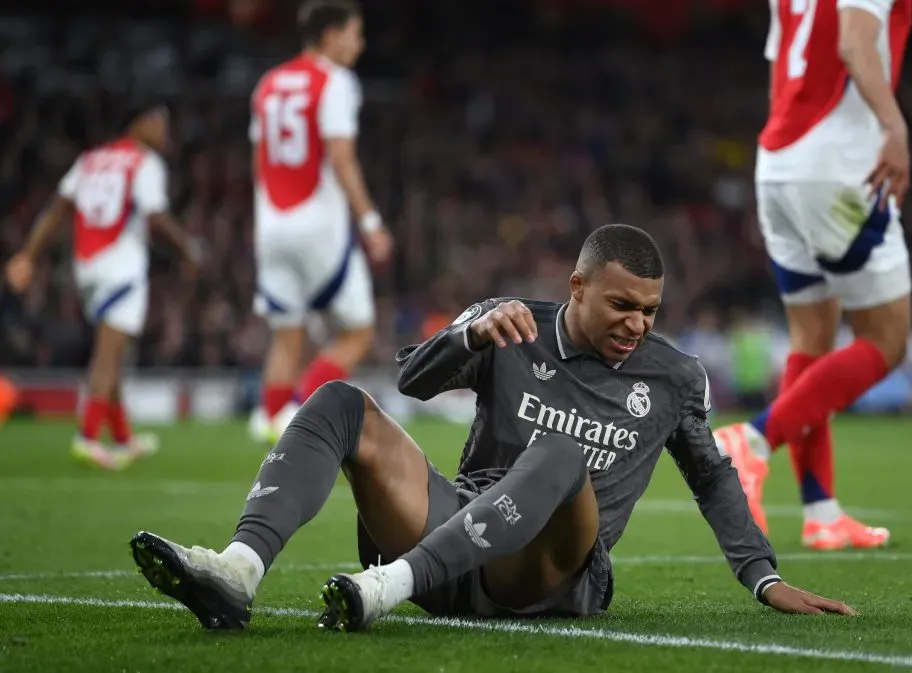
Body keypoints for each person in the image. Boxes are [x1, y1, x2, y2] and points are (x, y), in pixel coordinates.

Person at [129, 224, 856, 632]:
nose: (638, 323)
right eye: (622, 305)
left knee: (560, 453)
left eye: (651, 310)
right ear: (577, 287)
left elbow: (713, 476)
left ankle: (384, 588)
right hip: (458, 533)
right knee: (341, 400)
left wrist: (762, 577)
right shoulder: (507, 323)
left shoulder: (673, 377)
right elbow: (409, 380)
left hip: (549, 572)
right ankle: (236, 572)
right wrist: (469, 338)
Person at [713, 0, 912, 550]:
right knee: (887, 339)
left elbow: (785, 66)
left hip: (779, 163)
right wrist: (895, 127)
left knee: (812, 341)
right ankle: (751, 440)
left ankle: (822, 512)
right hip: (840, 167)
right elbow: (853, 41)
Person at [4, 102, 198, 469]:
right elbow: (155, 216)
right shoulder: (144, 162)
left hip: (87, 266)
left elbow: (56, 209)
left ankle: (123, 438)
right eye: (160, 123)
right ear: (139, 122)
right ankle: (87, 436)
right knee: (108, 355)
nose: (165, 133)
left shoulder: (90, 160)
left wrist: (28, 255)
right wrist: (188, 251)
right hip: (121, 264)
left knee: (115, 350)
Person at [247, 0, 394, 444]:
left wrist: (262, 221)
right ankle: (300, 411)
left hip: (271, 224)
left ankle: (270, 418)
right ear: (330, 36)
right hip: (318, 225)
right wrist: (370, 221)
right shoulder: (335, 82)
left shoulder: (268, 84)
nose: (360, 43)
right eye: (355, 34)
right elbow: (341, 157)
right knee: (360, 330)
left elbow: (259, 163)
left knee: (285, 334)